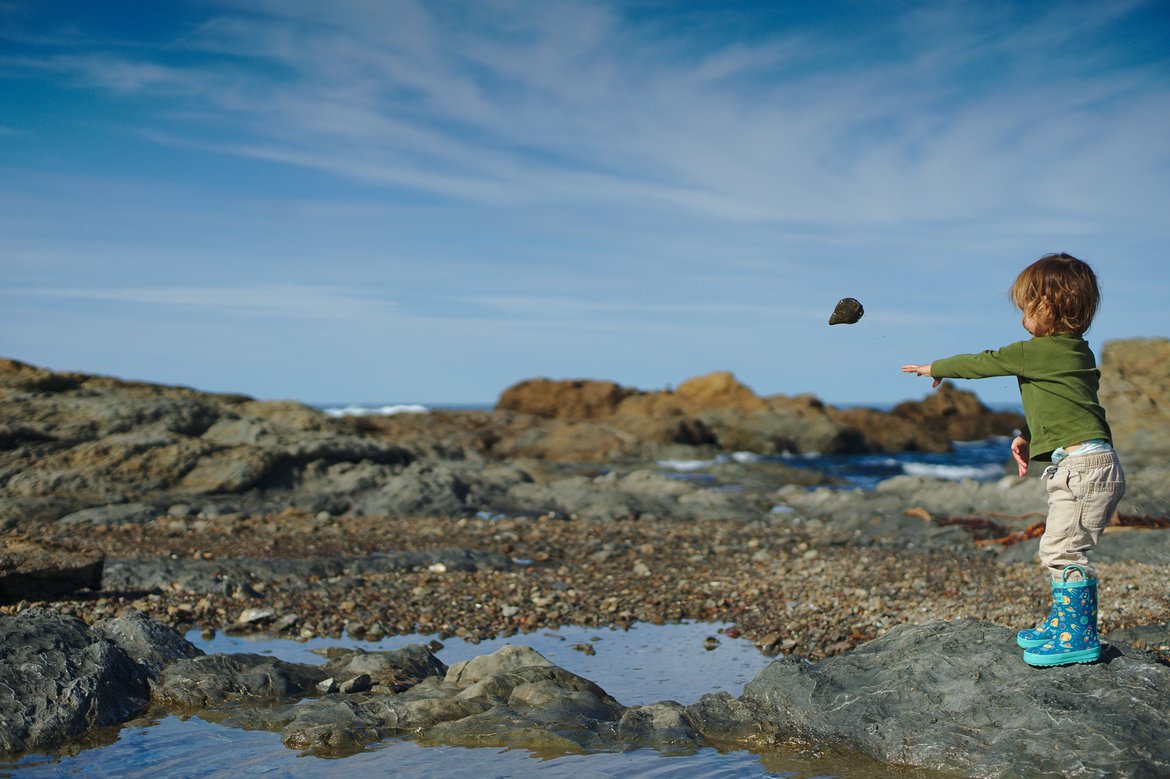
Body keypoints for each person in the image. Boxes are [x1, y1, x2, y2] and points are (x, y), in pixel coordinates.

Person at [901, 253, 1125, 667]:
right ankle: (1064, 626)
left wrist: (938, 367)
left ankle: (1076, 636)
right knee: (1059, 547)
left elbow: (988, 361)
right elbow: (1062, 407)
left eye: (1026, 307)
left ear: (1049, 307)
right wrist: (1026, 436)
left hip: (1082, 470)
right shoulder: (1078, 353)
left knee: (1062, 551)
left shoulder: (1036, 351)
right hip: (1090, 464)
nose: (1022, 316)